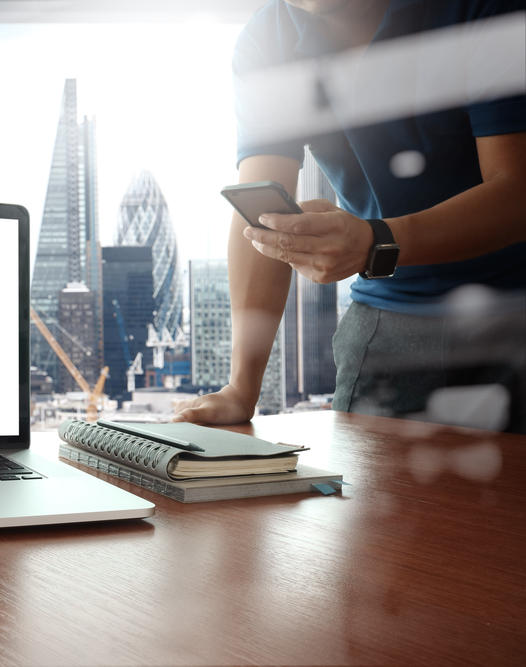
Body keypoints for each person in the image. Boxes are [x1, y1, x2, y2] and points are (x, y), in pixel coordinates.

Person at [172, 0, 526, 430]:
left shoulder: (486, 8)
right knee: (367, 496)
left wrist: (376, 242)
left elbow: (517, 190)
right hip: (389, 315)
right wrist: (241, 389)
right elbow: (260, 219)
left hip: (515, 307)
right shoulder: (270, 38)